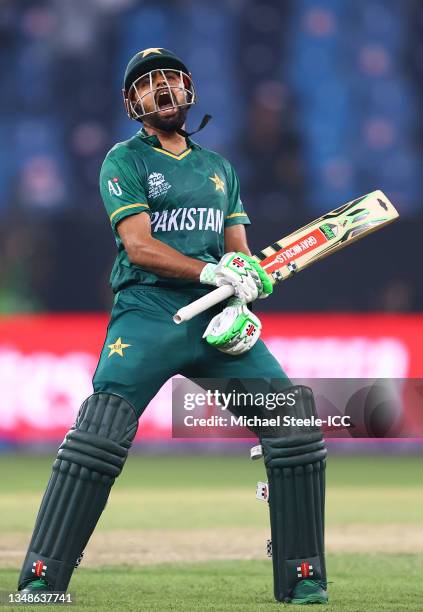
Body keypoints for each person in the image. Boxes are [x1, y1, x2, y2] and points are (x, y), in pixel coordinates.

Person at [17, 48, 328, 605]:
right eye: (147, 84)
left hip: (214, 318)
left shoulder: (220, 169)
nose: (161, 90)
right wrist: (212, 269)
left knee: (295, 423)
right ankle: (43, 578)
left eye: (170, 80)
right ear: (132, 103)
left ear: (189, 90)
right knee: (101, 433)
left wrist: (246, 286)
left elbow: (239, 257)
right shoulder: (123, 161)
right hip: (147, 311)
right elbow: (139, 245)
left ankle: (303, 579)